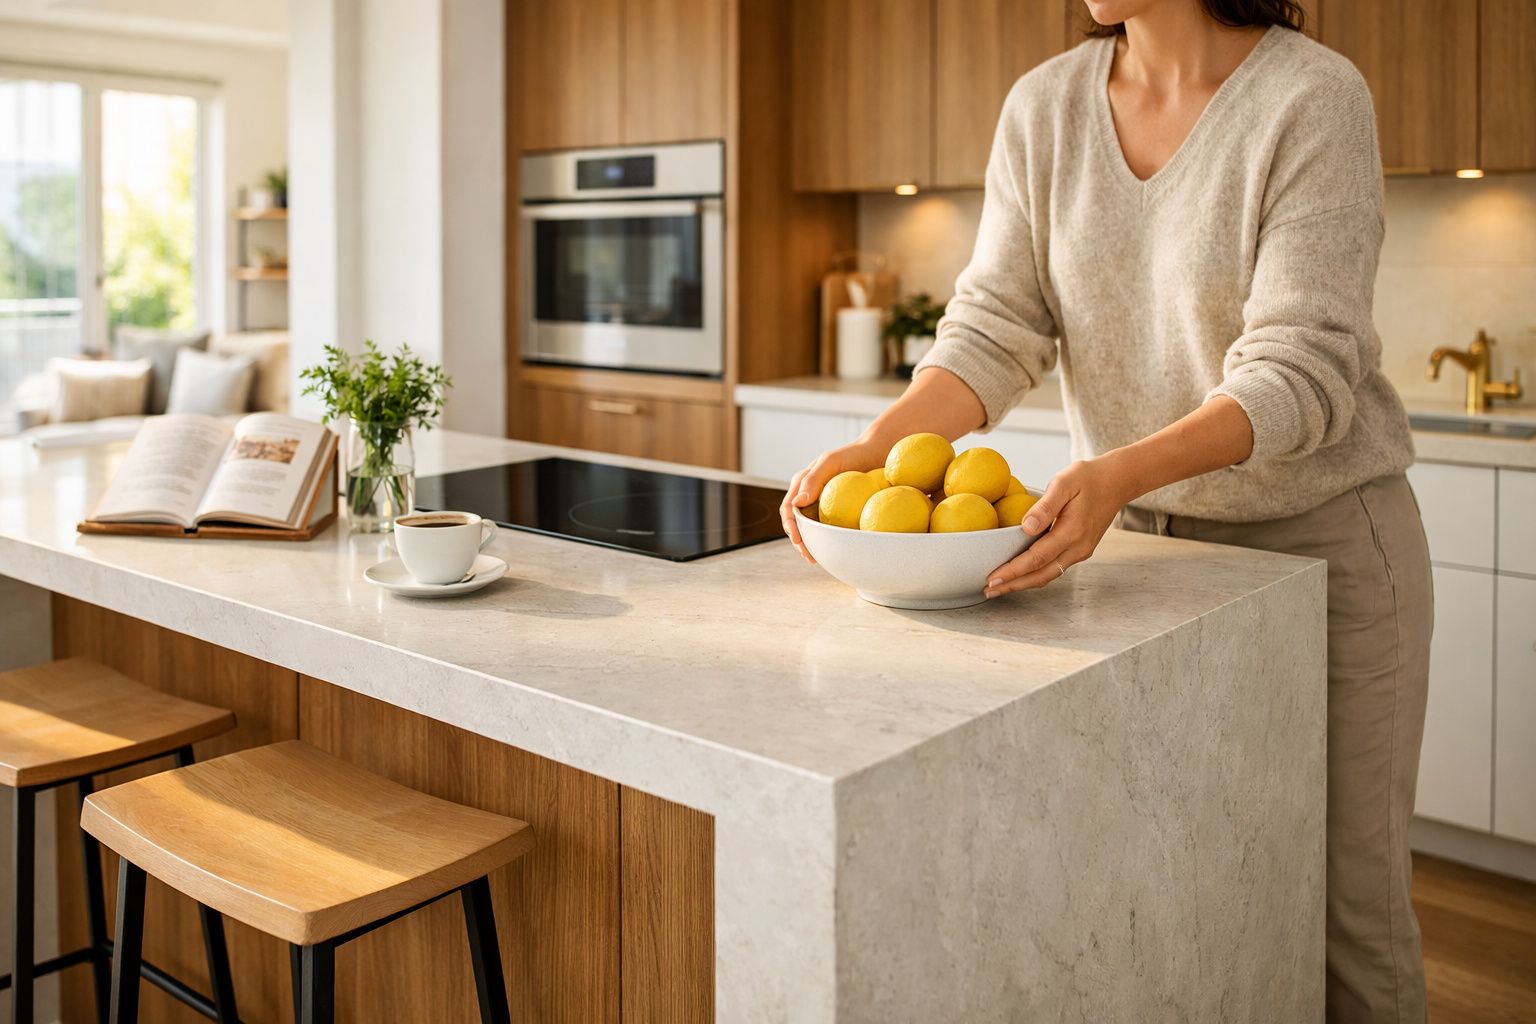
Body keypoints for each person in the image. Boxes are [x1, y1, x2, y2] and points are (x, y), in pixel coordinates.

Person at [779, 1, 1431, 1020]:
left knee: (1351, 912)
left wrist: (1119, 473)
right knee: (1174, 890)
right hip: (1145, 556)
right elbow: (995, 325)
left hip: (1324, 549)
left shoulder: (1310, 96)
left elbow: (1302, 367)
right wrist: (882, 443)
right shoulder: (1044, 109)